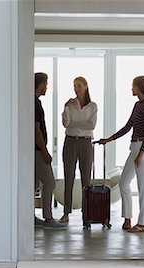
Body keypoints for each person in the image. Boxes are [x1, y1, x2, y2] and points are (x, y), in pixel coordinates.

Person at [99, 76, 144, 233]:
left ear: (138, 87)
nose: (131, 89)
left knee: (143, 186)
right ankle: (128, 219)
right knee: (124, 183)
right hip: (134, 148)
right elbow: (127, 127)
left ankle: (142, 224)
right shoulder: (137, 105)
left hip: (143, 149)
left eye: (133, 86)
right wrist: (108, 139)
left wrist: (140, 155)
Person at [59, 77, 98, 223]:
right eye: (74, 86)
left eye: (79, 86)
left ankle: (86, 213)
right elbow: (65, 123)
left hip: (86, 143)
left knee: (86, 180)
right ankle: (66, 213)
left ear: (86, 86)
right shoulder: (70, 104)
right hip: (70, 142)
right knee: (68, 177)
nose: (76, 88)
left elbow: (91, 126)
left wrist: (74, 124)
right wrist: (65, 107)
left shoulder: (93, 106)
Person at [34, 72, 66, 229]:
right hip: (37, 151)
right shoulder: (35, 103)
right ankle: (48, 218)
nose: (46, 87)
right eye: (46, 84)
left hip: (31, 150)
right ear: (40, 84)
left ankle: (30, 216)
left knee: (32, 184)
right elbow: (36, 129)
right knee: (49, 182)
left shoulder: (32, 102)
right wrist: (45, 151)